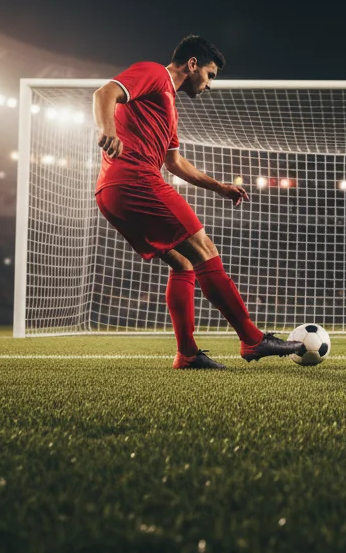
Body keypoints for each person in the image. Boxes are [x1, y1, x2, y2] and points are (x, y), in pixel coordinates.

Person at [93, 35, 302, 369]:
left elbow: (175, 163)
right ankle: (252, 339)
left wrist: (219, 186)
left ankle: (187, 354)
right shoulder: (155, 74)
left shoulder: (168, 107)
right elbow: (104, 93)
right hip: (135, 180)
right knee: (205, 250)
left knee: (184, 264)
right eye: (210, 75)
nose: (209, 85)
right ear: (192, 65)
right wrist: (108, 130)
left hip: (111, 192)